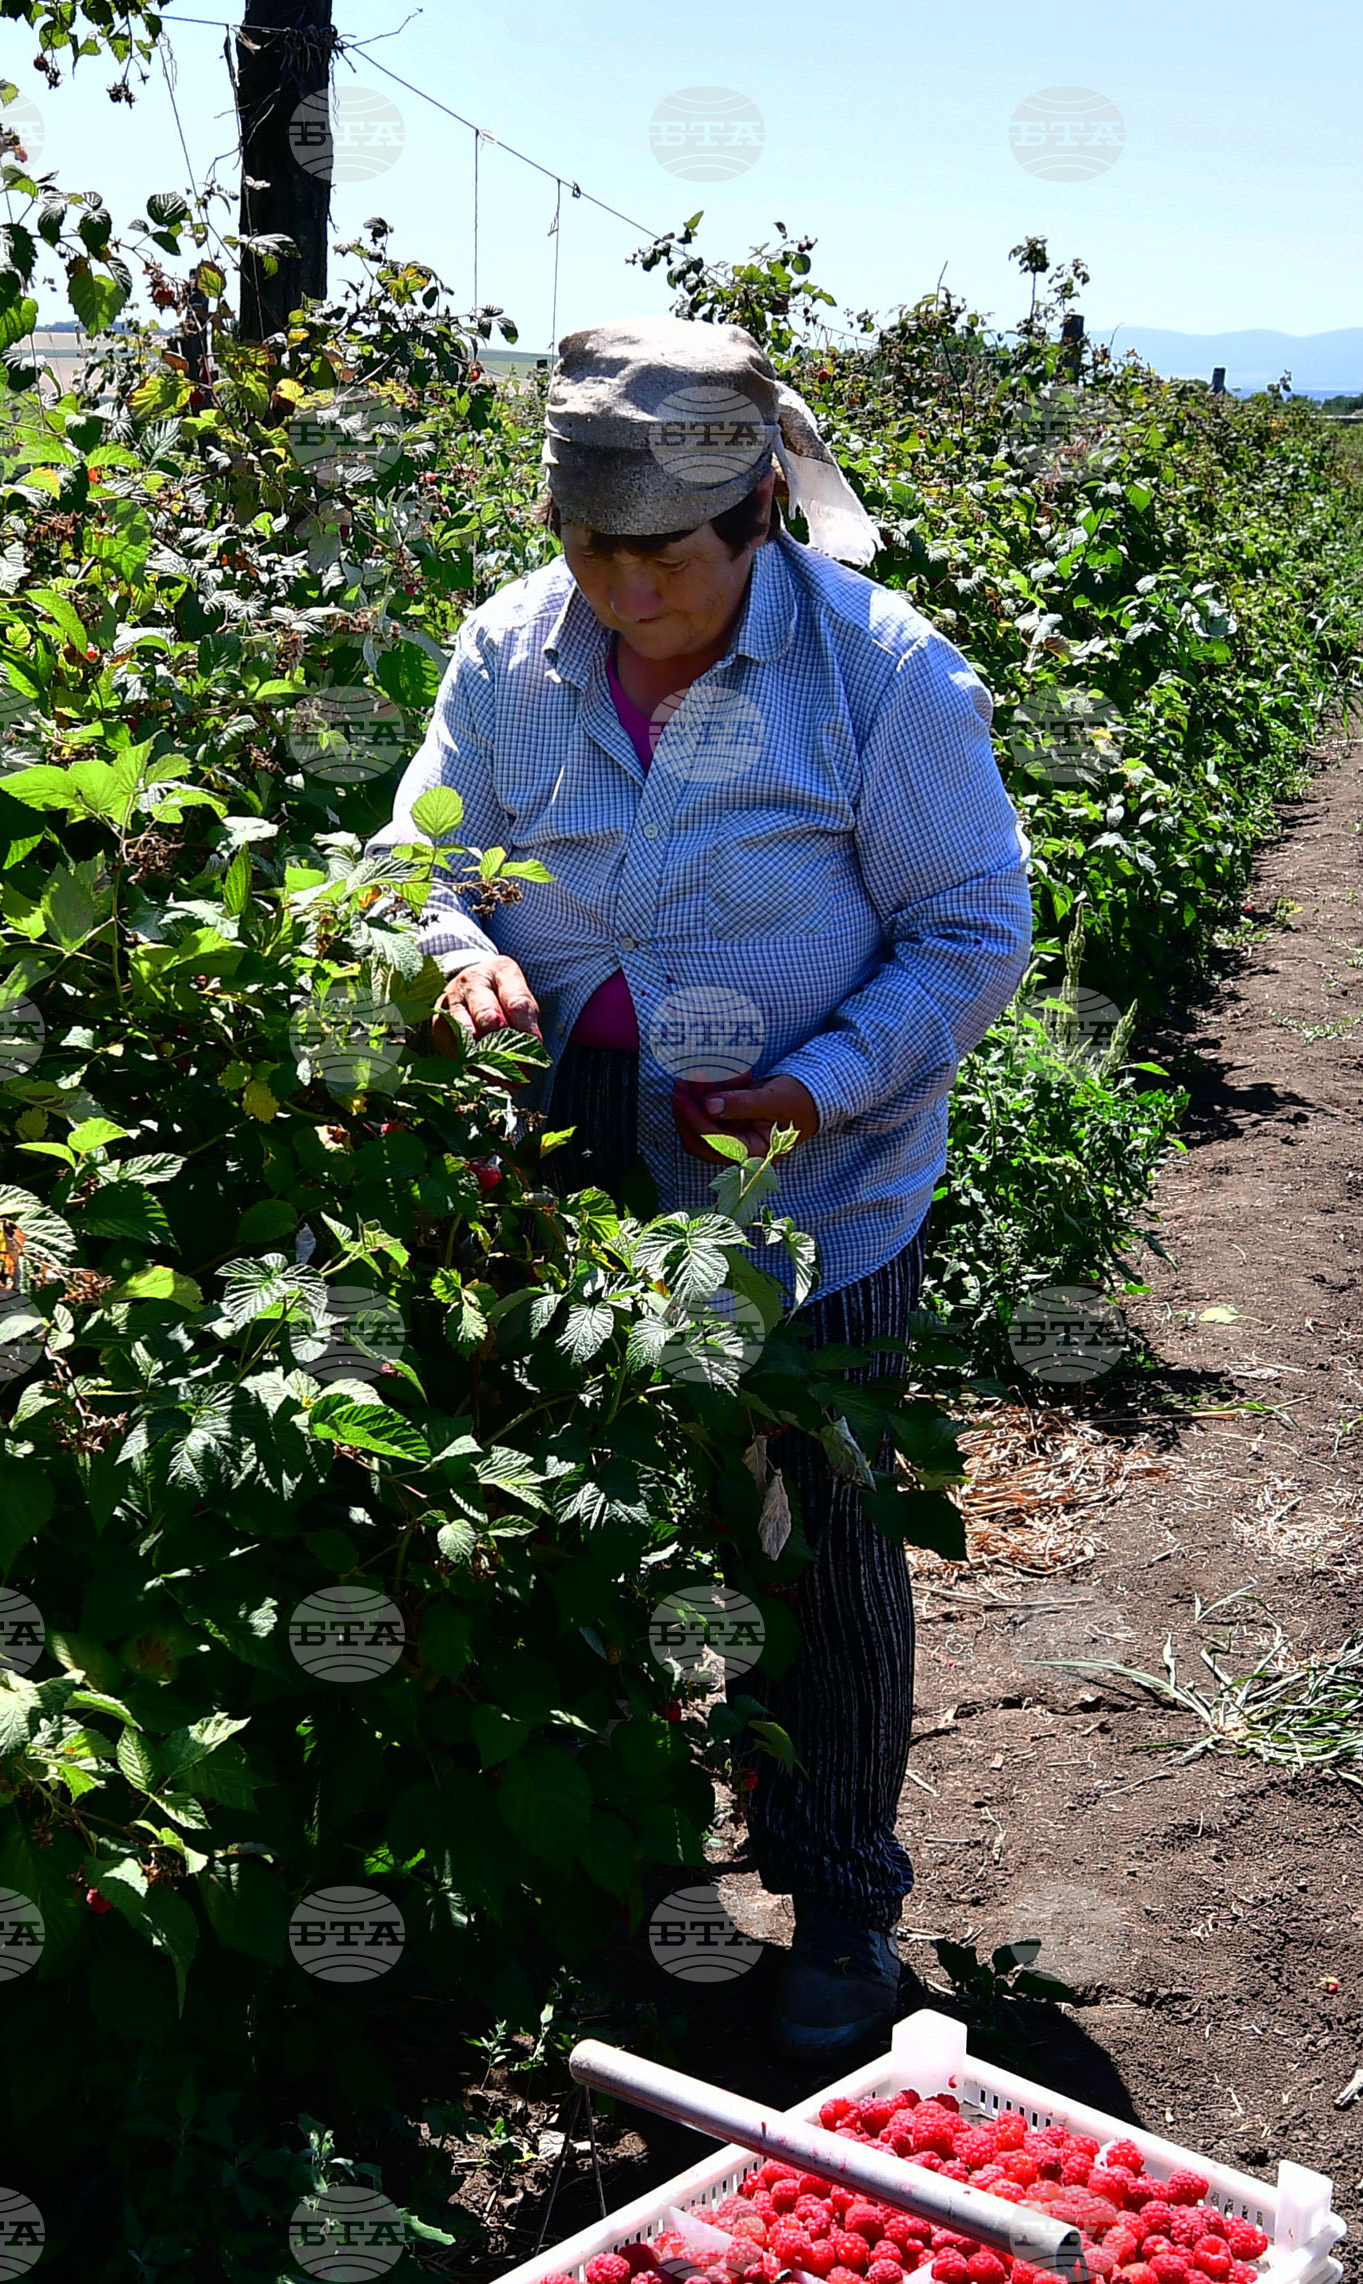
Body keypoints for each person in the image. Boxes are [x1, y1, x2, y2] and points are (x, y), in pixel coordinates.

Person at [381, 316, 1033, 2062]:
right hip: (568, 1157)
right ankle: (630, 1881)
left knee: (825, 1530)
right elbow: (411, 862)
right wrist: (453, 951)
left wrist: (815, 1087)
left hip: (818, 1175)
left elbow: (975, 926)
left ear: (757, 516)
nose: (615, 586)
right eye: (586, 546)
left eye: (658, 553)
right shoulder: (513, 651)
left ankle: (840, 1906)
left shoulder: (879, 677)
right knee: (581, 1510)